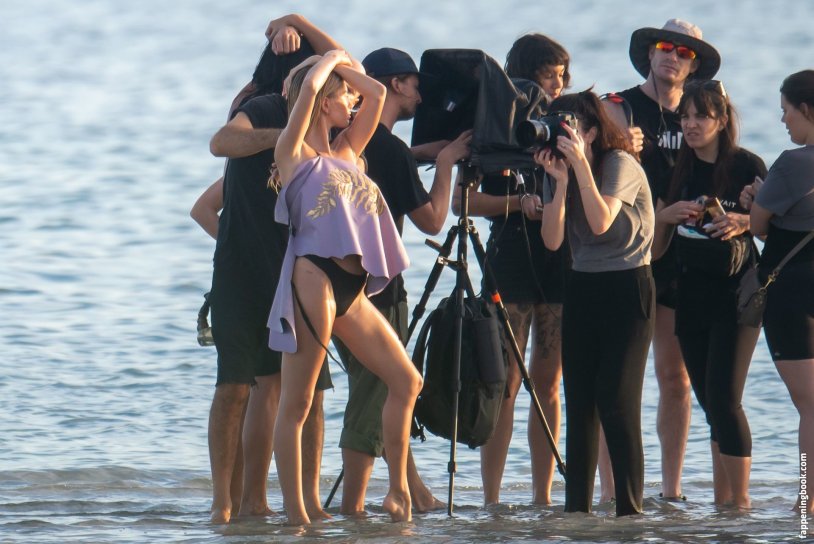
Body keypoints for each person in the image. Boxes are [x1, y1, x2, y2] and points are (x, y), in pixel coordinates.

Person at [268, 50, 422, 525]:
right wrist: (329, 60)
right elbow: (310, 89)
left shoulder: (349, 151)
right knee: (297, 404)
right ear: (322, 103)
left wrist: (346, 67)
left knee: (407, 380)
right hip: (313, 277)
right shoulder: (293, 156)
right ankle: (299, 517)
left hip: (352, 289)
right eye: (344, 96)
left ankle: (398, 491)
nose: (353, 103)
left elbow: (376, 92)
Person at [202, 14, 341, 524]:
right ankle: (227, 503)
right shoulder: (262, 106)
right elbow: (221, 142)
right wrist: (283, 137)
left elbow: (350, 65)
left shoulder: (329, 120)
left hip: (298, 272)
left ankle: (301, 504)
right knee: (238, 386)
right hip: (241, 273)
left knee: (308, 393)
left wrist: (296, 20)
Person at [334, 47, 471, 516]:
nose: (421, 96)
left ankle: (414, 490)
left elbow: (387, 160)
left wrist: (417, 155)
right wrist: (448, 162)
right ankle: (353, 509)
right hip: (379, 290)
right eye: (416, 84)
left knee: (389, 391)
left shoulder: (354, 138)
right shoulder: (390, 150)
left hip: (336, 285)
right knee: (379, 393)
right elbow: (433, 220)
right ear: (395, 84)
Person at [602, 19, 721, 501]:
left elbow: (725, 168)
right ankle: (611, 493)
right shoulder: (620, 106)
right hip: (628, 255)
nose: (672, 56)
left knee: (676, 377)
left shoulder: (703, 114)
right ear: (649, 54)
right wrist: (615, 143)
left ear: (693, 65)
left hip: (683, 259)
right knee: (618, 376)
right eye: (664, 47)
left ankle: (671, 491)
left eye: (684, 52)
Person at [451, 32, 570, 506]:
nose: (556, 87)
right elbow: (467, 202)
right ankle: (491, 498)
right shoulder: (496, 125)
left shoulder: (566, 126)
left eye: (562, 77)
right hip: (508, 259)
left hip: (560, 258)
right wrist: (519, 203)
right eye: (548, 76)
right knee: (504, 385)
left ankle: (543, 497)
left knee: (550, 383)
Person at [537, 90, 654, 516]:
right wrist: (562, 180)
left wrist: (582, 168)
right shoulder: (564, 170)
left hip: (628, 285)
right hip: (583, 286)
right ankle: (577, 512)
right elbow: (552, 241)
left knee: (617, 401)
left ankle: (630, 512)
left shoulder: (619, 164)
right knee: (580, 400)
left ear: (589, 132)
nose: (564, 140)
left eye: (570, 130)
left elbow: (603, 221)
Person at [653, 80, 766, 509]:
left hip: (739, 293)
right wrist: (664, 216)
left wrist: (742, 220)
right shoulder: (675, 169)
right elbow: (656, 250)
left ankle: (739, 502)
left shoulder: (745, 165)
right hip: (689, 294)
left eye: (701, 116)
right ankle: (723, 504)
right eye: (685, 116)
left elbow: (776, 224)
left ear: (721, 119)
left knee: (725, 397)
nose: (691, 124)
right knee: (707, 402)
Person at [743, 69, 814, 515]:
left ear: (806, 110)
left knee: (809, 406)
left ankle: (807, 501)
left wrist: (757, 198)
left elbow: (758, 225)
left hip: (793, 292)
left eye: (787, 110)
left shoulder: (793, 162)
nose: (784, 120)